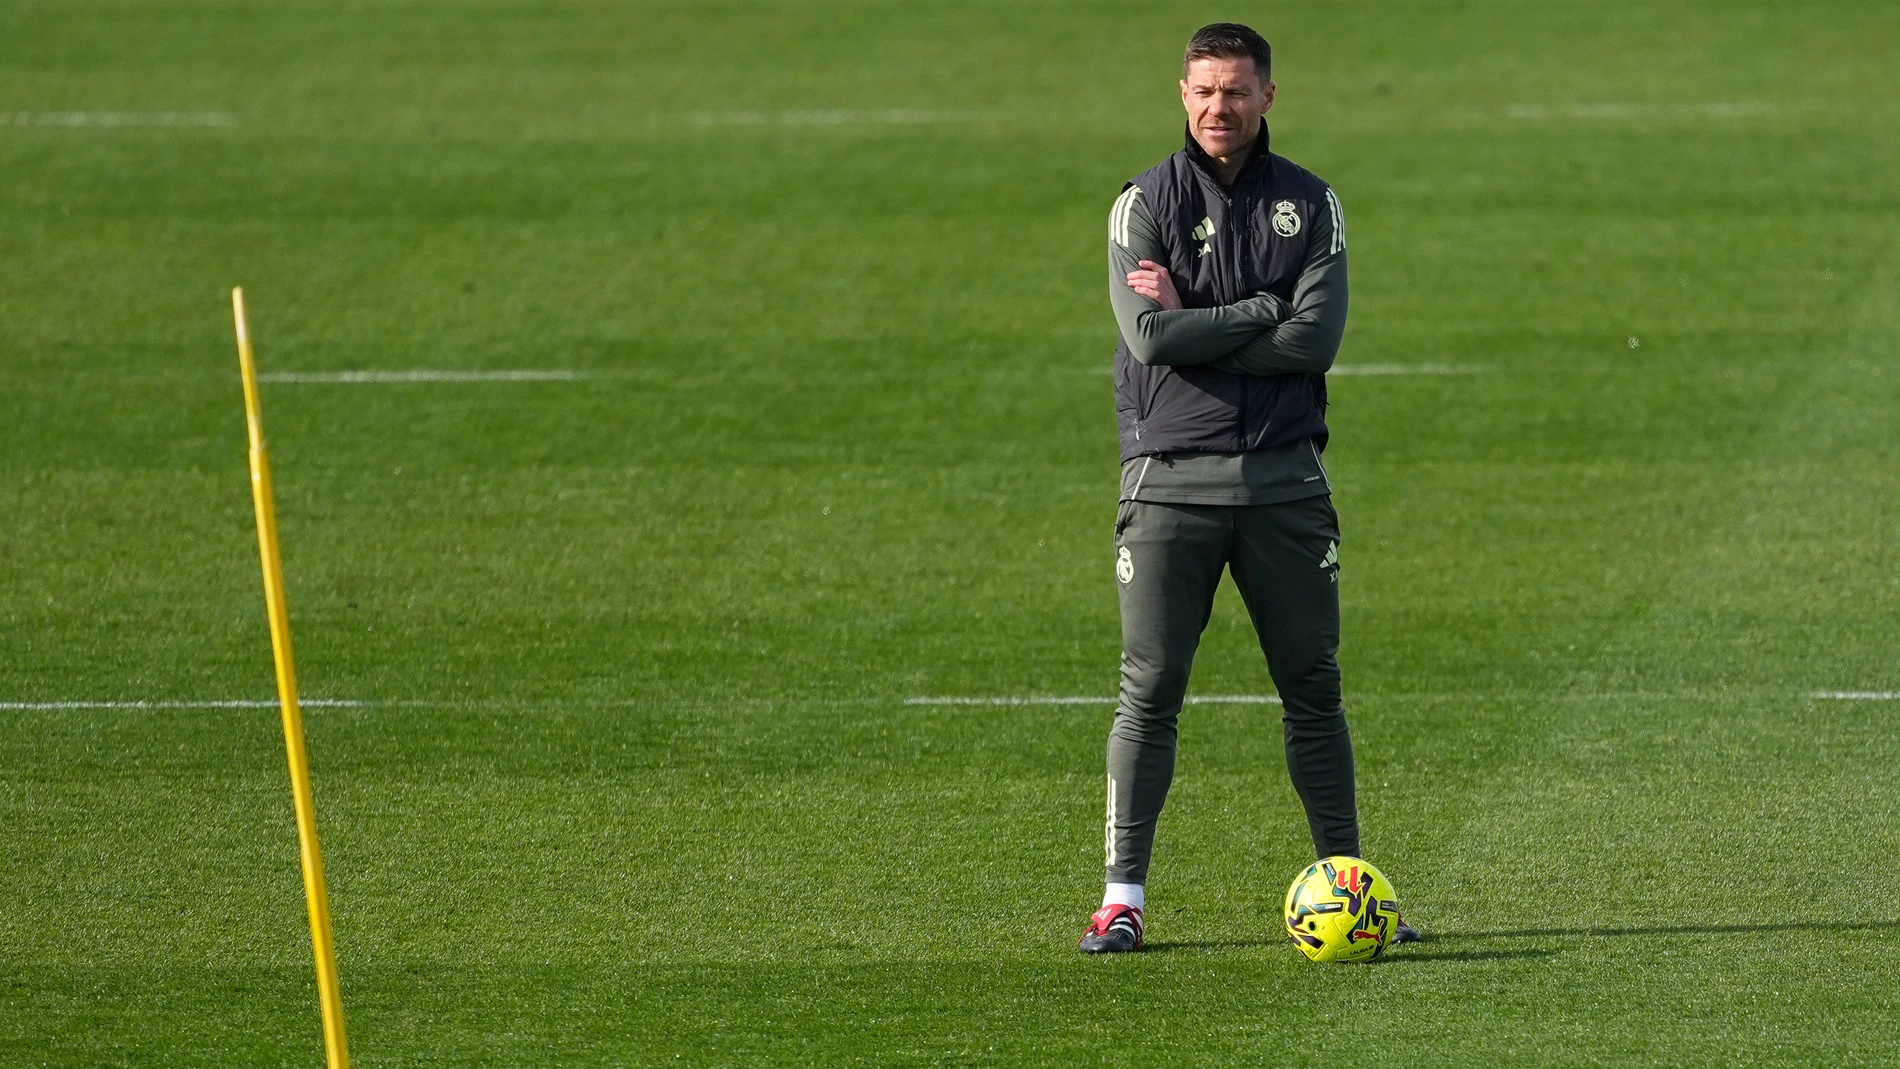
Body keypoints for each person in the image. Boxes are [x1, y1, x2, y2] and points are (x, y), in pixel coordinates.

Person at [1077, 22, 1417, 953]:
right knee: (1149, 691)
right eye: (1203, 91)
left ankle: (1351, 885)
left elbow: (1317, 342)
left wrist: (1203, 318)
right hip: (1169, 485)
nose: (1218, 107)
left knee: (1314, 686)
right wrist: (1264, 307)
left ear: (1269, 94)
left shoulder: (1313, 204)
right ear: (1181, 96)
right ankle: (1122, 899)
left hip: (1284, 485)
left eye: (1235, 91)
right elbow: (1148, 339)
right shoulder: (1141, 202)